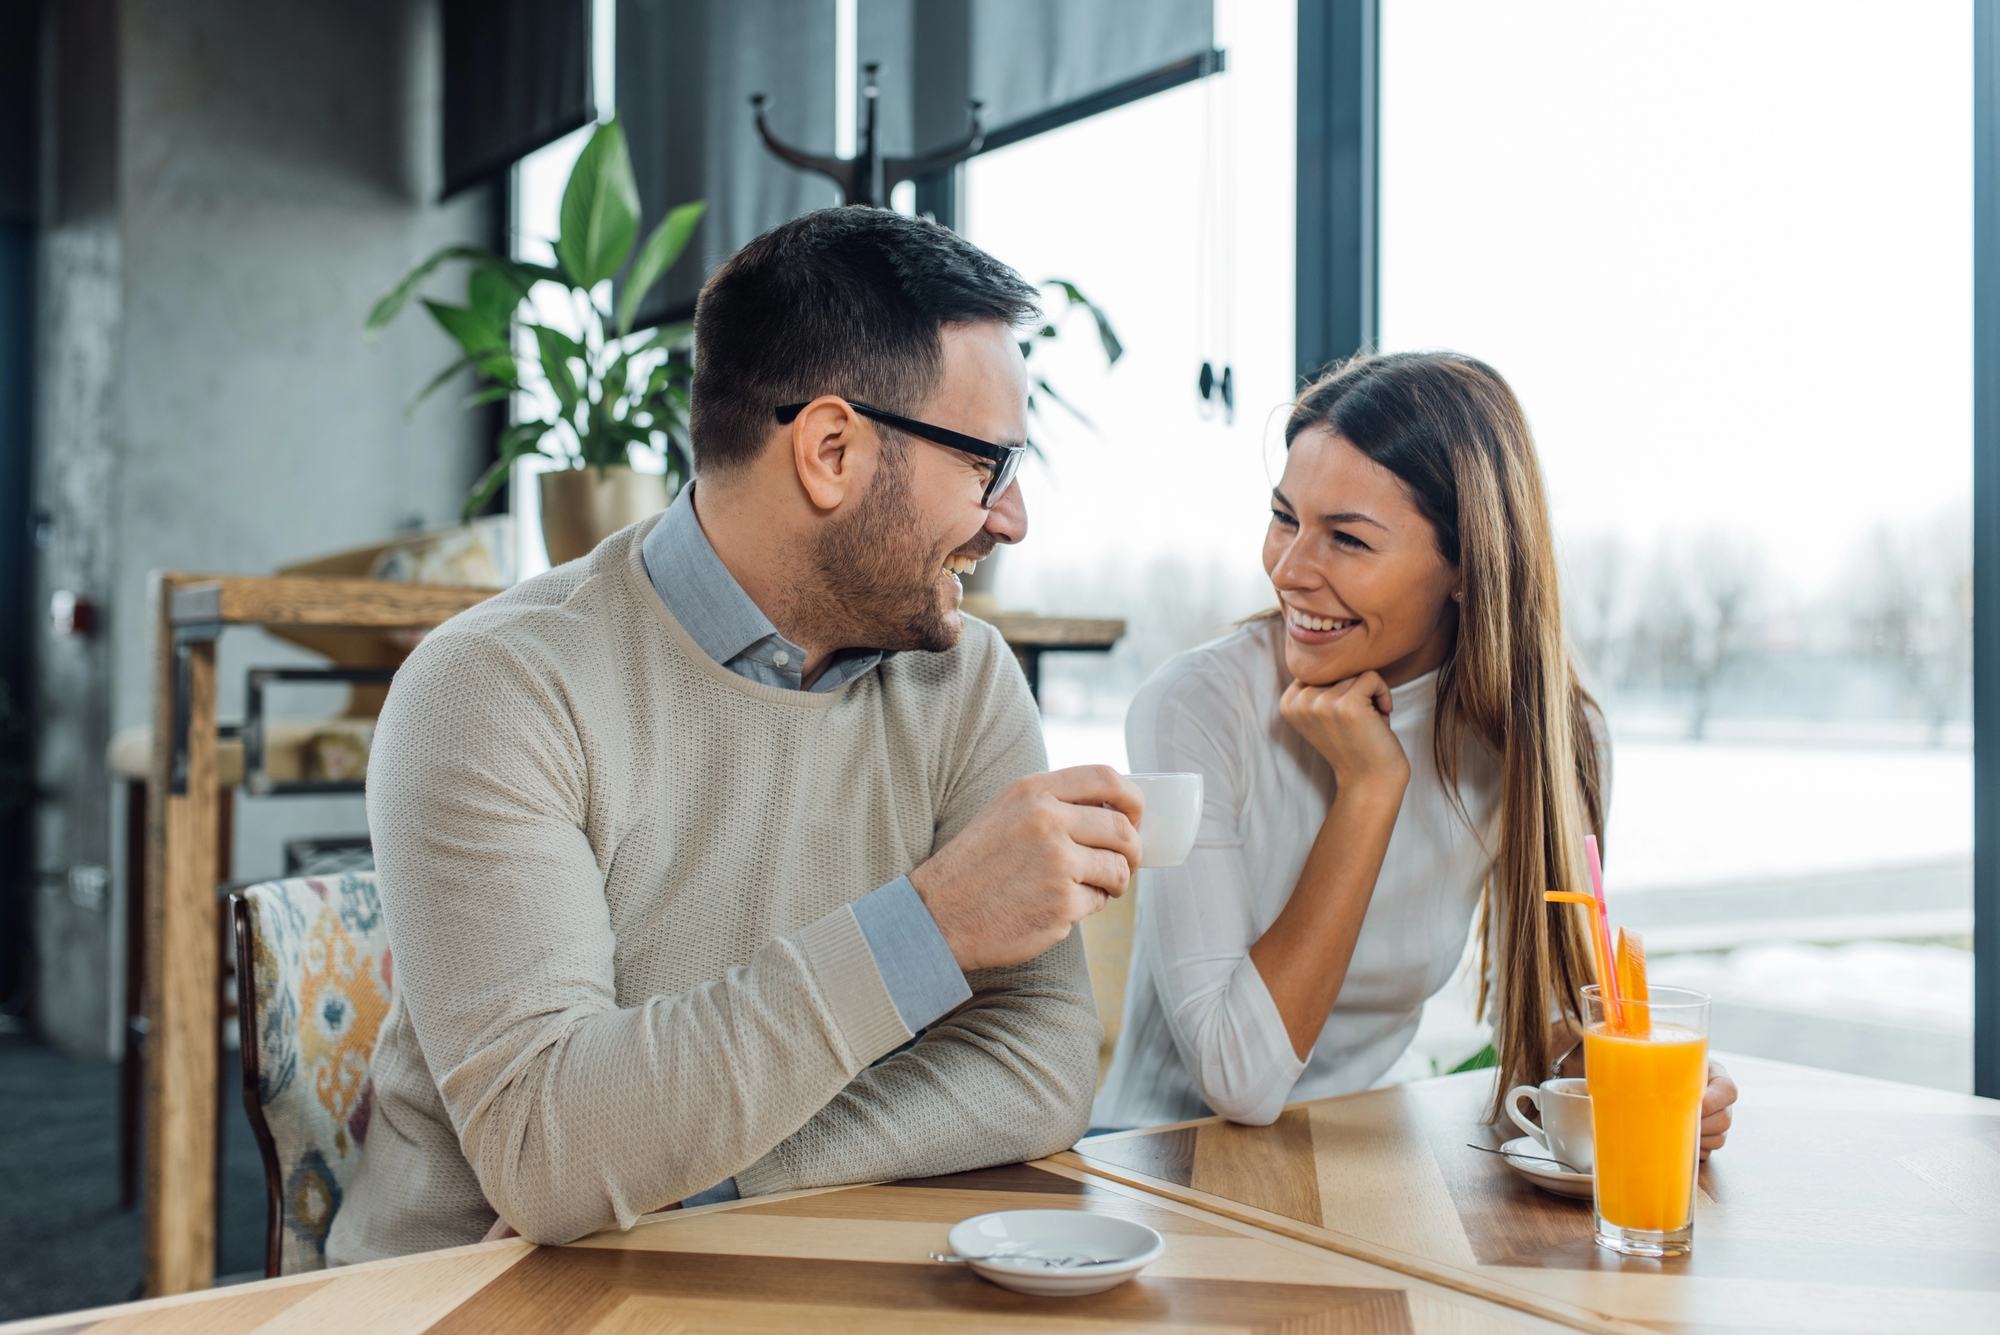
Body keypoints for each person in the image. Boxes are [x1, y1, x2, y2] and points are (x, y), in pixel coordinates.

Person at [328, 207, 1145, 1264]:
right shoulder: (496, 685)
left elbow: (1038, 1065)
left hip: (789, 1268)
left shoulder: (965, 678)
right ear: (831, 450)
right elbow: (550, 1150)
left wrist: (708, 1180)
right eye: (988, 464)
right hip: (476, 1299)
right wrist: (928, 929)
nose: (1012, 517)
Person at [1092, 352, 1739, 1149]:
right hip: (1165, 1167)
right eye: (1285, 517)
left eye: (1348, 540)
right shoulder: (1195, 707)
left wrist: (1640, 1076)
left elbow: (1550, 1025)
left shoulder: (1549, 737)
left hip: (1370, 1159)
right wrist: (1367, 789)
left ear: (1466, 565)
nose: (1290, 570)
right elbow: (1239, 1079)